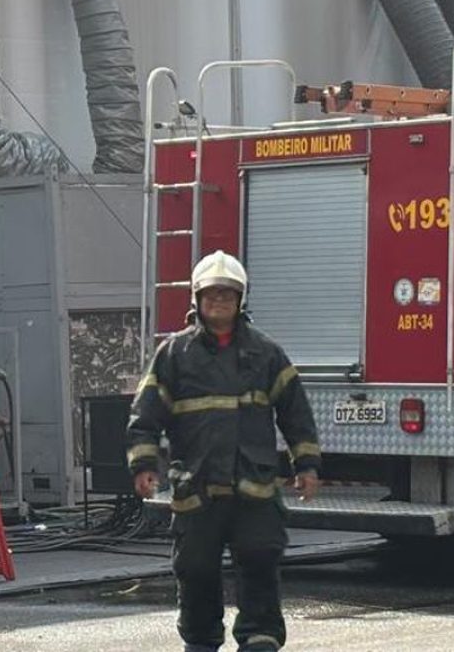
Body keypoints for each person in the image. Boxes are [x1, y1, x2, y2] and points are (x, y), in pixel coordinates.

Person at [127, 250, 321, 652]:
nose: (219, 302)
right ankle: (200, 642)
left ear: (241, 300)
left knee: (260, 560)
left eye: (227, 295)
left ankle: (260, 638)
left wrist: (306, 464)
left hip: (254, 488)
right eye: (212, 295)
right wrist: (144, 464)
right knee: (195, 569)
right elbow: (146, 413)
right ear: (197, 299)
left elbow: (295, 411)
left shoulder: (266, 353)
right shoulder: (174, 354)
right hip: (197, 487)